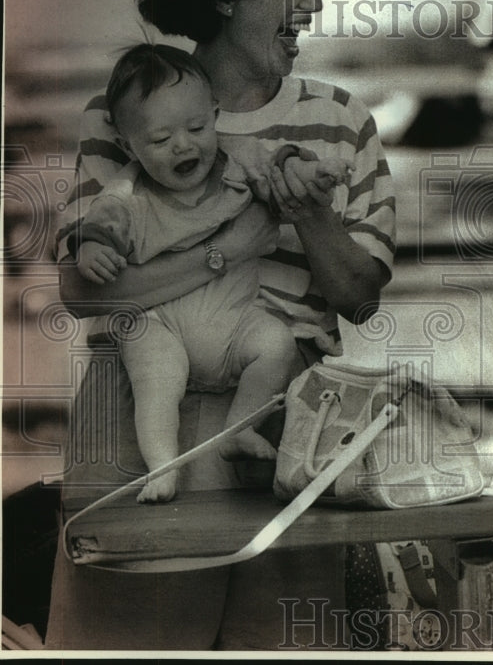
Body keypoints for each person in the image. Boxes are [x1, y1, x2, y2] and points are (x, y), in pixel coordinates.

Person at [48, 0, 395, 650]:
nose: (311, 3)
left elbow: (362, 295)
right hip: (134, 413)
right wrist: (223, 254)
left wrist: (307, 216)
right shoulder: (122, 112)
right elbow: (80, 287)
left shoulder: (341, 119)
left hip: (279, 419)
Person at [75, 43, 351, 503]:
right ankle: (162, 466)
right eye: (160, 141)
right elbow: (100, 230)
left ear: (215, 116)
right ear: (129, 146)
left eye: (197, 127)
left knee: (275, 343)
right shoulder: (126, 193)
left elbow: (279, 161)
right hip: (161, 323)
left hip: (233, 319)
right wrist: (91, 250)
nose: (184, 145)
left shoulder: (235, 160)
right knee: (154, 384)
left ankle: (239, 429)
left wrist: (312, 171)